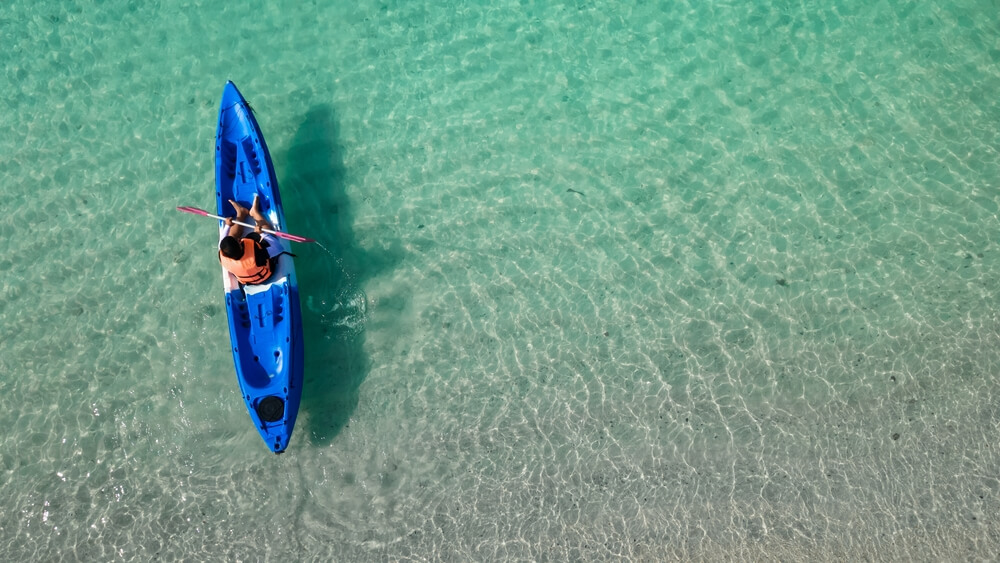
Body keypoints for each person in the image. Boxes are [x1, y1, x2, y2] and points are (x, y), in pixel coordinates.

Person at [218, 195, 283, 285]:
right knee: (267, 233)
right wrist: (262, 233)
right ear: (240, 246)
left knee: (231, 236)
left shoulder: (224, 255)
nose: (239, 239)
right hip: (266, 273)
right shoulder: (258, 256)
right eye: (238, 241)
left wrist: (228, 226)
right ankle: (254, 213)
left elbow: (222, 242)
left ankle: (241, 213)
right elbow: (279, 248)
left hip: (248, 281)